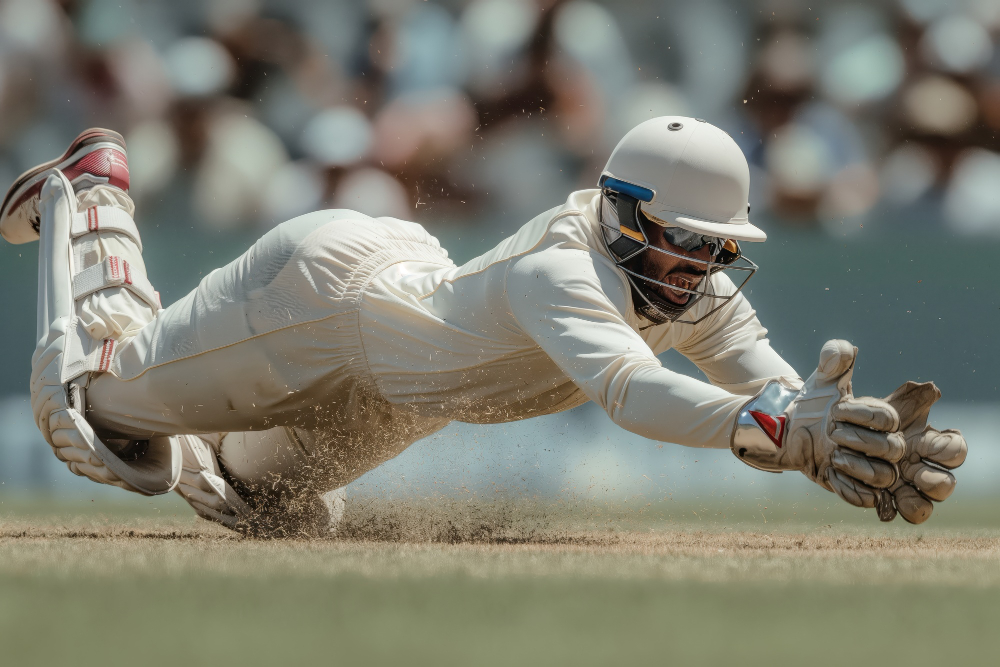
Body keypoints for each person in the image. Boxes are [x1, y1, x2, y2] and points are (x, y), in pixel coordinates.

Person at [1, 117, 966, 536]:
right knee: (98, 422)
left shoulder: (695, 283)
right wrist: (774, 435)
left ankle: (196, 405)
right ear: (625, 213)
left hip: (402, 394)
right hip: (327, 303)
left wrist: (827, 421)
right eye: (682, 242)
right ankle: (93, 191)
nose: (700, 268)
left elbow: (769, 382)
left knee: (258, 504)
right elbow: (632, 393)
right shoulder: (564, 266)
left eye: (716, 248)